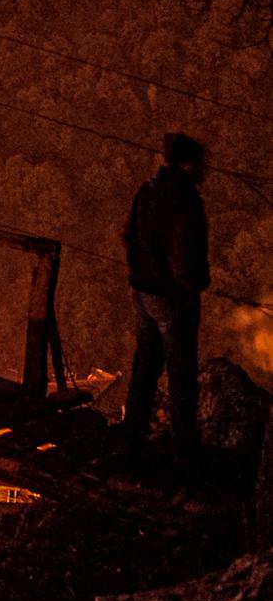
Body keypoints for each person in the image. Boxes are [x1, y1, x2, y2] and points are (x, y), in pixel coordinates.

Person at [121, 131, 211, 467]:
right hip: (171, 297)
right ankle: (185, 449)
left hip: (141, 291)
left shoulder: (148, 191)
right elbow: (182, 256)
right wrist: (194, 284)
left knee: (145, 366)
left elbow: (127, 234)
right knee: (181, 372)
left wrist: (138, 270)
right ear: (189, 163)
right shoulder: (184, 200)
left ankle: (132, 438)